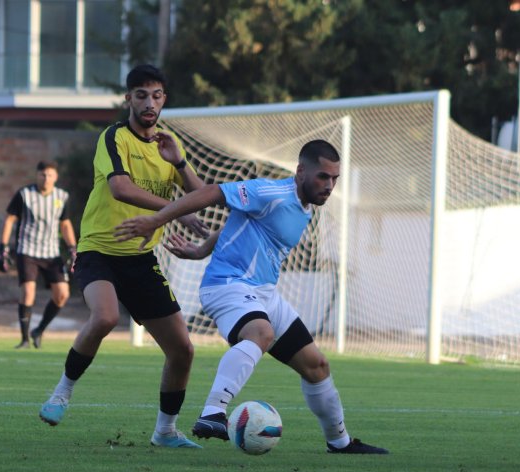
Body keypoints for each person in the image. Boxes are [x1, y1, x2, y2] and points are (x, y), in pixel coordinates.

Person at [115, 140, 389, 454]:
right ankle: (213, 412)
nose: (329, 185)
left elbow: (241, 222)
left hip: (263, 293)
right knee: (261, 333)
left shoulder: (305, 206)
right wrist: (156, 219)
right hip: (227, 285)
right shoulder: (272, 193)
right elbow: (213, 192)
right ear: (301, 171)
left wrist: (201, 249)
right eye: (323, 177)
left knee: (317, 366)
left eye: (334, 179)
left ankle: (340, 443)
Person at [38, 64, 210, 448]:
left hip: (140, 257)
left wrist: (179, 162)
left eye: (157, 95)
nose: (150, 103)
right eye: (142, 95)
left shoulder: (168, 146)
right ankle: (61, 392)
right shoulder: (113, 137)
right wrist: (175, 209)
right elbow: (120, 188)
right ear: (128, 99)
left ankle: (165, 431)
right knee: (106, 316)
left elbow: (201, 194)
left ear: (165, 99)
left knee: (182, 350)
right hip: (99, 248)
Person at [0, 161, 78, 349]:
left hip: (51, 253)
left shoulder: (61, 196)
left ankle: (39, 330)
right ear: (37, 175)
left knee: (62, 295)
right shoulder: (24, 195)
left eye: (50, 175)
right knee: (28, 292)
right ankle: (24, 339)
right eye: (43, 174)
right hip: (27, 251)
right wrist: (3, 247)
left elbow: (65, 224)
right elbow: (10, 220)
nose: (46, 178)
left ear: (56, 177)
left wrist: (73, 249)